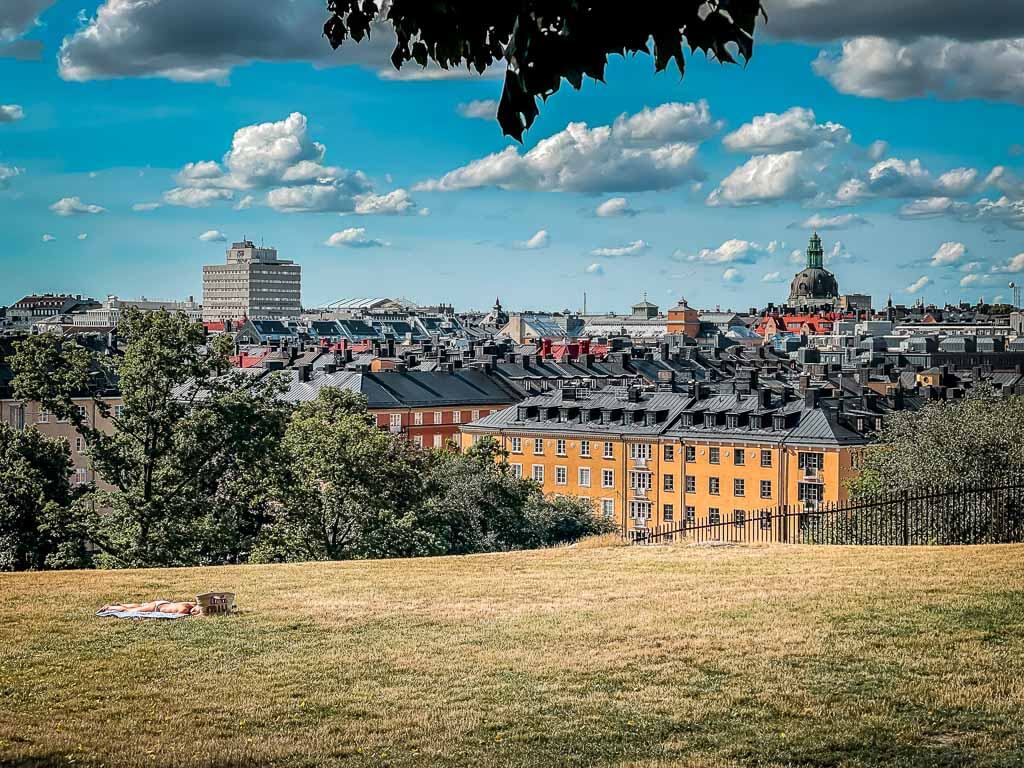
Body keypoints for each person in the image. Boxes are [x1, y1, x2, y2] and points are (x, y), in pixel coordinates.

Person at [100, 600, 202, 616]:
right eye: (194, 612)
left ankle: (120, 605)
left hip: (161, 603)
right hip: (156, 608)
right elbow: (179, 615)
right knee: (130, 611)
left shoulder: (190, 603)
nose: (193, 613)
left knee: (140, 606)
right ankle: (109, 608)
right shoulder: (184, 610)